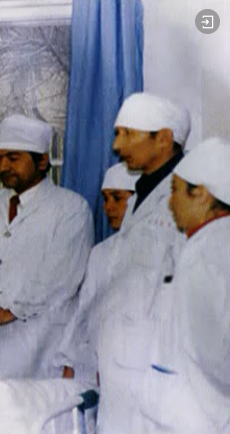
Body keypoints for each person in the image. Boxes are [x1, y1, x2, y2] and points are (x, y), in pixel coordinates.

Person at [0, 114, 93, 380]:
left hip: (39, 347)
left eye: (13, 158)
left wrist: (11, 311)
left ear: (42, 161)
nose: (3, 166)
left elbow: (62, 278)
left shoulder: (71, 209)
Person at [94, 92, 191, 434]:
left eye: (128, 134)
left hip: (164, 374)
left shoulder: (197, 197)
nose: (117, 145)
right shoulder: (143, 193)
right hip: (126, 367)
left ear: (163, 138)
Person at [138, 138, 230, 433]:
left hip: (201, 417)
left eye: (175, 190)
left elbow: (215, 358)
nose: (170, 202)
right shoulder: (210, 243)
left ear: (201, 194)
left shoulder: (206, 254)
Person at [55, 163, 139, 385]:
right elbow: (84, 310)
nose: (107, 207)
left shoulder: (158, 250)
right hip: (95, 365)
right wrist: (68, 361)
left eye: (117, 198)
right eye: (105, 198)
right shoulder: (100, 253)